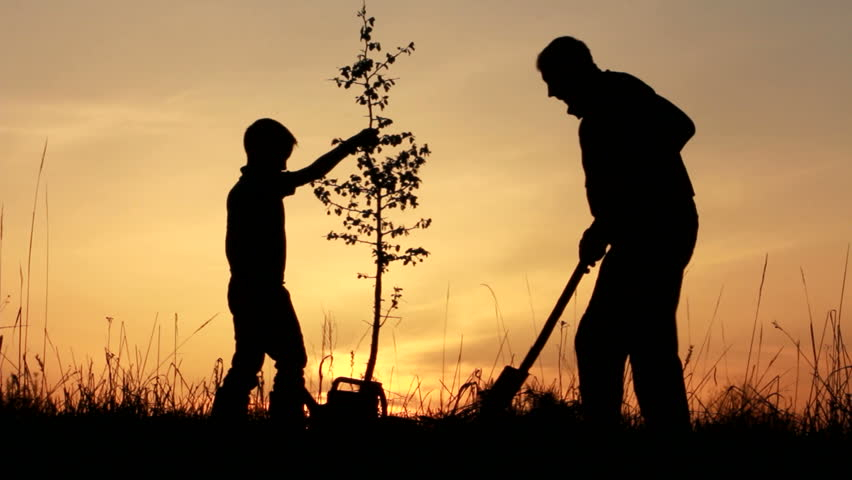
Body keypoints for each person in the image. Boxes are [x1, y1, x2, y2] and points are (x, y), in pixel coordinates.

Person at [537, 37, 699, 434]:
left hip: (657, 231)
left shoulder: (621, 93)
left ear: (574, 72)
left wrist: (637, 178)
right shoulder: (597, 117)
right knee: (638, 341)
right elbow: (616, 194)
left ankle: (618, 434)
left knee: (611, 341)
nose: (552, 93)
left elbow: (682, 127)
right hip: (636, 232)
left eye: (555, 81)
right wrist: (602, 227)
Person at [211, 118, 378, 428]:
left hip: (246, 288)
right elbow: (313, 172)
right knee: (290, 359)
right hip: (263, 290)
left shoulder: (247, 188)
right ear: (263, 153)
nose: (284, 165)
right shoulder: (260, 187)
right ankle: (286, 423)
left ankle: (227, 423)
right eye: (281, 157)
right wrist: (353, 143)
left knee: (248, 362)